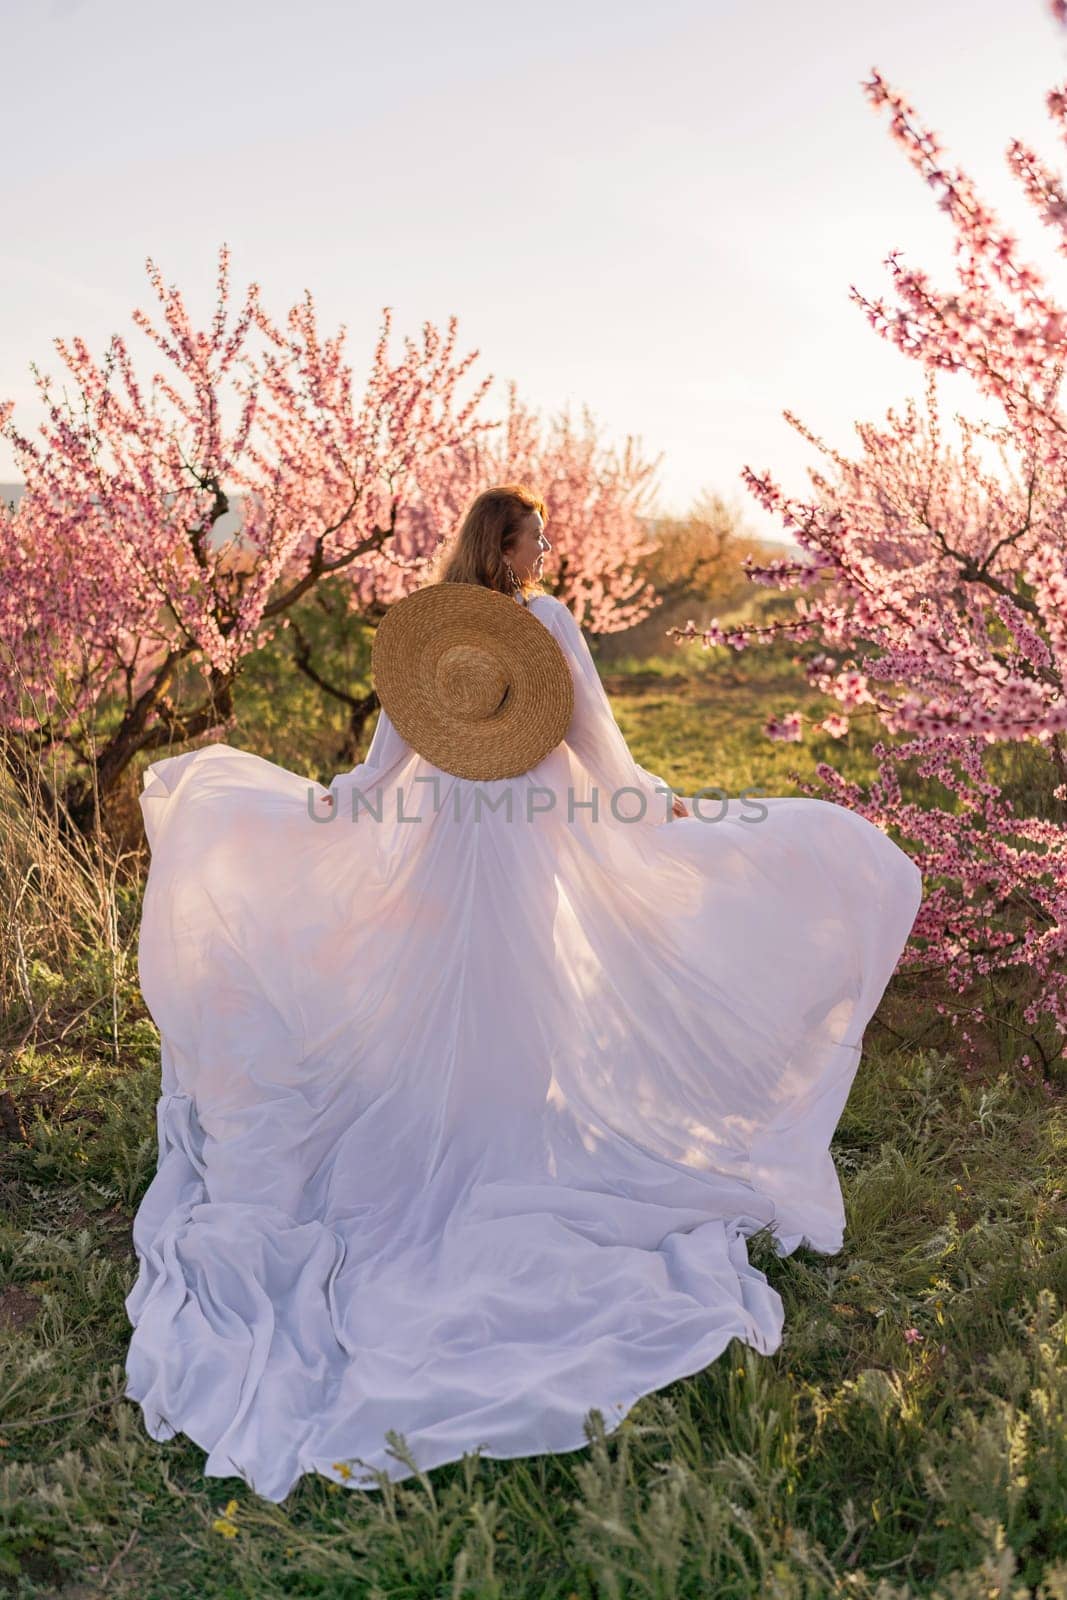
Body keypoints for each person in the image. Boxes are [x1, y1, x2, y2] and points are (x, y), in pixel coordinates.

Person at [125, 482, 923, 1504]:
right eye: (531, 536)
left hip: (448, 851)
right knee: (521, 987)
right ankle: (504, 1130)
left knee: (452, 989)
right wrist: (652, 806)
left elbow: (381, 766)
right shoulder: (542, 625)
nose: (545, 549)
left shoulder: (433, 632)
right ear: (497, 550)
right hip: (518, 851)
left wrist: (321, 810)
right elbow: (591, 743)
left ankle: (467, 1123)